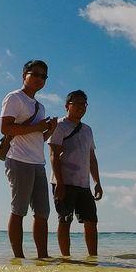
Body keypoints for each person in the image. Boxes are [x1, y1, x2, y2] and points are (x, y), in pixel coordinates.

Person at [0, 60, 57, 258]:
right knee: (19, 210)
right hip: (18, 159)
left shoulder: (39, 106)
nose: (40, 79)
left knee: (43, 213)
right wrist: (37, 127)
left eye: (44, 76)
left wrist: (49, 130)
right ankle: (19, 258)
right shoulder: (14, 97)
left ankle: (43, 257)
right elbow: (5, 128)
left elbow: (37, 138)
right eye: (36, 74)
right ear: (24, 75)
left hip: (38, 162)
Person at [48, 89, 103, 257]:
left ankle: (93, 259)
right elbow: (53, 155)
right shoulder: (59, 125)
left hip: (83, 184)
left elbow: (91, 158)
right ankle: (66, 259)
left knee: (91, 221)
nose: (81, 107)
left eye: (84, 104)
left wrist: (97, 182)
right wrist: (60, 182)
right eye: (77, 103)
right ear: (67, 106)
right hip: (64, 181)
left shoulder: (87, 130)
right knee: (65, 220)